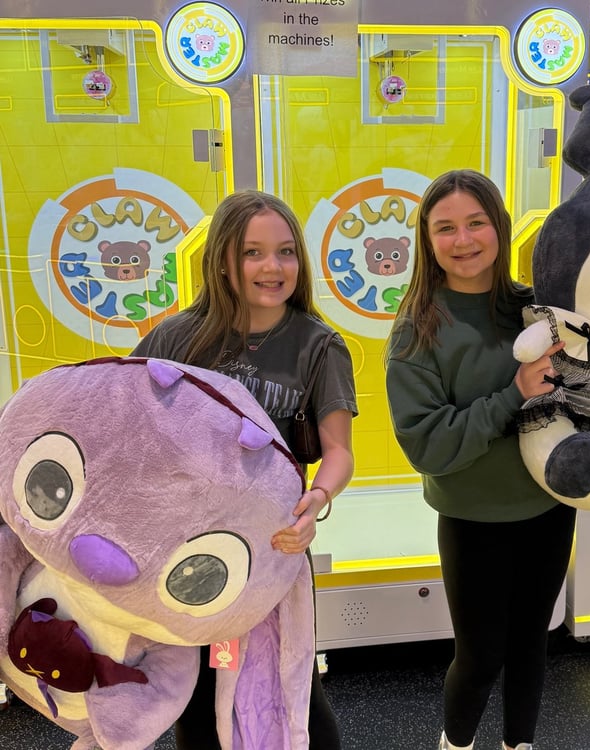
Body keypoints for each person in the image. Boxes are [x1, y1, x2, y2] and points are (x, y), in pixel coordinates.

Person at [384, 169, 590, 750]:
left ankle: (519, 743)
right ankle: (455, 743)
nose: (463, 239)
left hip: (549, 506)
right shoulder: (416, 332)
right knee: (479, 658)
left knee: (531, 645)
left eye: (476, 222)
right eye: (445, 227)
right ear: (426, 239)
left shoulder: (541, 309)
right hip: (472, 518)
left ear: (499, 228)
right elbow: (428, 446)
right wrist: (513, 395)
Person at [131, 189, 357, 750]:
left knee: (294, 690)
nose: (272, 267)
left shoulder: (319, 345)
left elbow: (340, 452)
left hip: (276, 553)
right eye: (252, 252)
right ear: (222, 260)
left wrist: (316, 502)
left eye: (285, 252)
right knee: (197, 696)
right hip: (186, 557)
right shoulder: (175, 338)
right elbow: (124, 427)